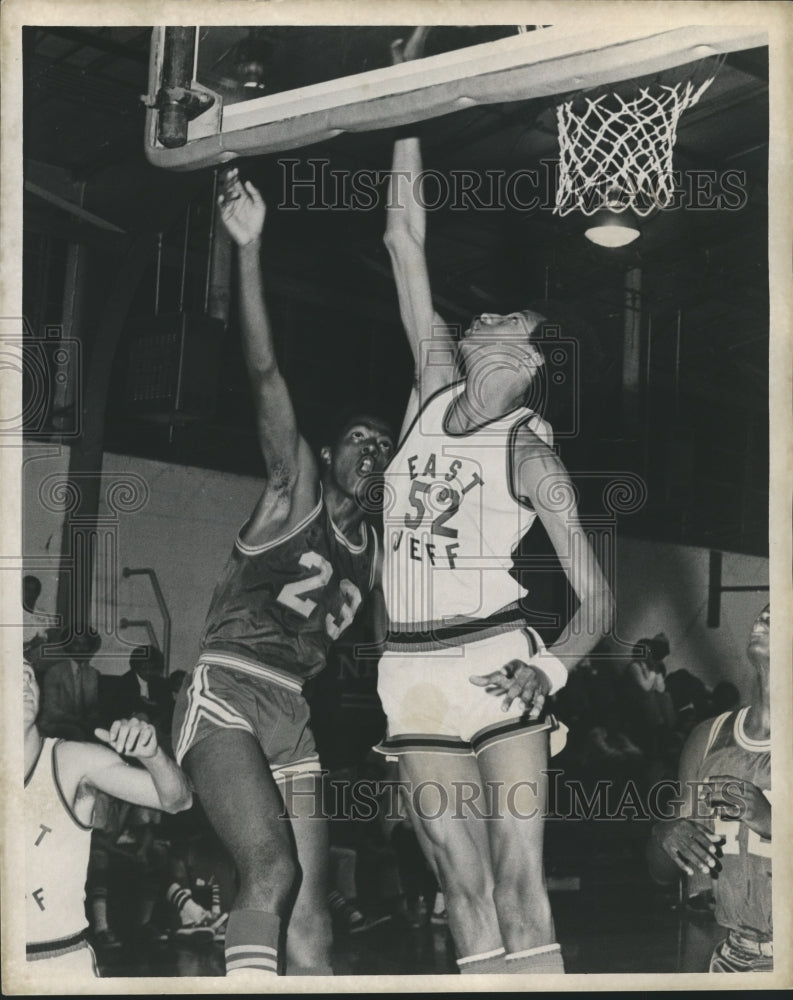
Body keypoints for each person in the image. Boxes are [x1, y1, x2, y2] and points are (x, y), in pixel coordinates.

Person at [374, 28, 613, 975]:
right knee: (459, 893)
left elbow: (596, 600)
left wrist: (548, 673)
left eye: (506, 318)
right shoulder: (431, 386)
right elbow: (401, 237)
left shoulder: (532, 460)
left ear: (526, 362)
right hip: (409, 670)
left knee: (519, 889)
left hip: (494, 660)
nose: (483, 316)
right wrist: (403, 101)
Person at [171, 167, 394, 978]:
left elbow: (395, 647)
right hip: (228, 691)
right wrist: (249, 250)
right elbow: (266, 375)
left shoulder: (374, 552)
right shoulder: (291, 490)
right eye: (360, 438)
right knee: (272, 869)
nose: (373, 450)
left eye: (384, 444)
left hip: (292, 716)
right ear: (328, 453)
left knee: (312, 931)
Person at [24, 660, 192, 977]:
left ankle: (170, 918)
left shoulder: (74, 760)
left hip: (58, 960)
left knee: (150, 857)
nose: (22, 682)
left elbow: (178, 800)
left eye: (28, 675)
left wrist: (152, 755)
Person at [647, 604, 772, 973]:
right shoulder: (709, 736)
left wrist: (774, 821)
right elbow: (661, 873)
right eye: (765, 610)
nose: (765, 615)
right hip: (732, 955)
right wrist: (664, 832)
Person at [39, 630, 103, 741]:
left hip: (81, 724)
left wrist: (93, 722)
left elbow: (93, 708)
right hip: (54, 724)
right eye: (77, 644)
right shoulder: (55, 672)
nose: (82, 649)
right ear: (68, 647)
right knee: (76, 733)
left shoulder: (92, 673)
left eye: (85, 644)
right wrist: (79, 722)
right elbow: (51, 710)